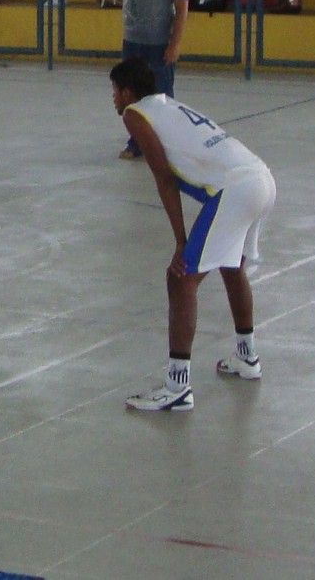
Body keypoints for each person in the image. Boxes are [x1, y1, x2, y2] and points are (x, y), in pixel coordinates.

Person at [115, 58, 276, 413]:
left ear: (126, 92)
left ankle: (177, 387)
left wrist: (180, 241)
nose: (113, 99)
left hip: (235, 190)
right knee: (232, 266)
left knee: (180, 279)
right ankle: (247, 357)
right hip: (261, 178)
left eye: (114, 91)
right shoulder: (167, 105)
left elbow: (163, 178)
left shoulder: (134, 114)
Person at [88, 0, 188, 143]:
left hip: (158, 43)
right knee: (131, 92)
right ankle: (137, 141)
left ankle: (166, 141)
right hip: (132, 40)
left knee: (161, 95)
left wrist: (174, 44)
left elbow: (182, 10)